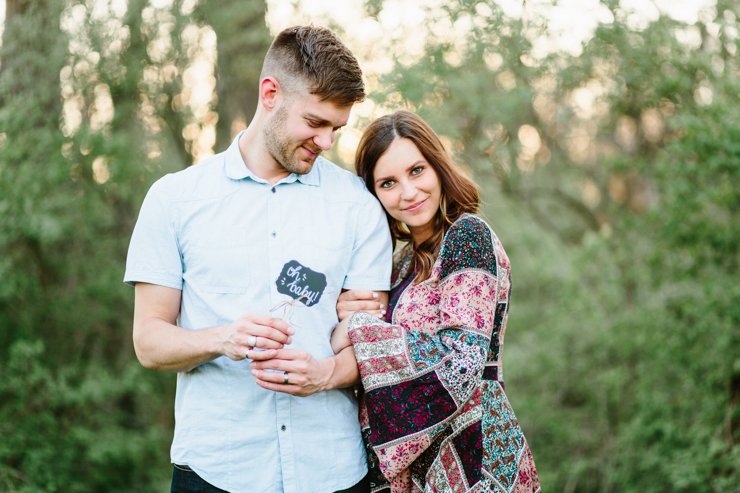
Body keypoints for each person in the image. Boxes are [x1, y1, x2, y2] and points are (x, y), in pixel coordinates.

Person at [124, 26, 392, 493]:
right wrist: (223, 338)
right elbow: (149, 342)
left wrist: (326, 373)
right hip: (216, 470)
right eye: (314, 122)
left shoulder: (358, 206)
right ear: (270, 93)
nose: (326, 141)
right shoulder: (174, 200)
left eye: (336, 128)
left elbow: (369, 345)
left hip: (330, 470)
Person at [332, 110, 541, 492]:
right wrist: (346, 316)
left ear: (438, 166)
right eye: (388, 182)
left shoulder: (467, 238)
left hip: (475, 455)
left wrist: (359, 328)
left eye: (416, 170)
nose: (407, 193)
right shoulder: (398, 265)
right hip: (420, 465)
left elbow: (462, 362)